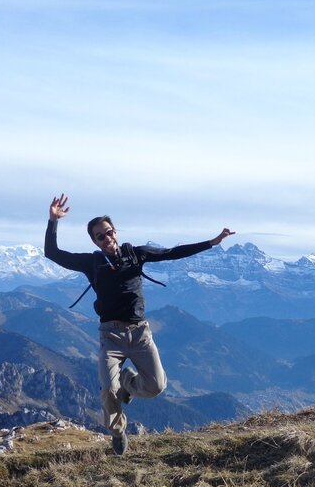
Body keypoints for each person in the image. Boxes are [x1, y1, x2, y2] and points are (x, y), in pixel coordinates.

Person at [45, 193, 234, 455]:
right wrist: (53, 221)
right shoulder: (92, 263)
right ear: (94, 241)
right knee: (108, 390)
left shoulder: (137, 254)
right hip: (110, 336)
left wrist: (212, 242)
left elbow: (172, 253)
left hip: (140, 333)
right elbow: (52, 253)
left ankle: (127, 382)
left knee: (157, 386)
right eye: (100, 236)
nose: (107, 238)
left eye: (109, 232)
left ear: (115, 232)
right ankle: (118, 430)